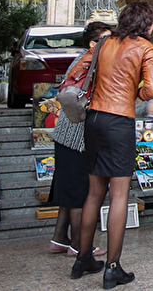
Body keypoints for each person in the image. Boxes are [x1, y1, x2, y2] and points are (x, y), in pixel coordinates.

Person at [70, 2, 153, 289]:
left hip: (94, 119)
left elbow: (78, 69)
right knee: (119, 194)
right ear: (147, 25)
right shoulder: (145, 48)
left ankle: (83, 259)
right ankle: (113, 267)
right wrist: (134, 90)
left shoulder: (104, 43)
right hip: (119, 120)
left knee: (94, 192)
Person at [48, 21, 112, 258]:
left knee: (68, 192)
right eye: (106, 40)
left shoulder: (79, 61)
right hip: (78, 137)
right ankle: (79, 245)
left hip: (64, 134)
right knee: (79, 194)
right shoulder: (95, 65)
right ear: (94, 43)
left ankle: (59, 238)